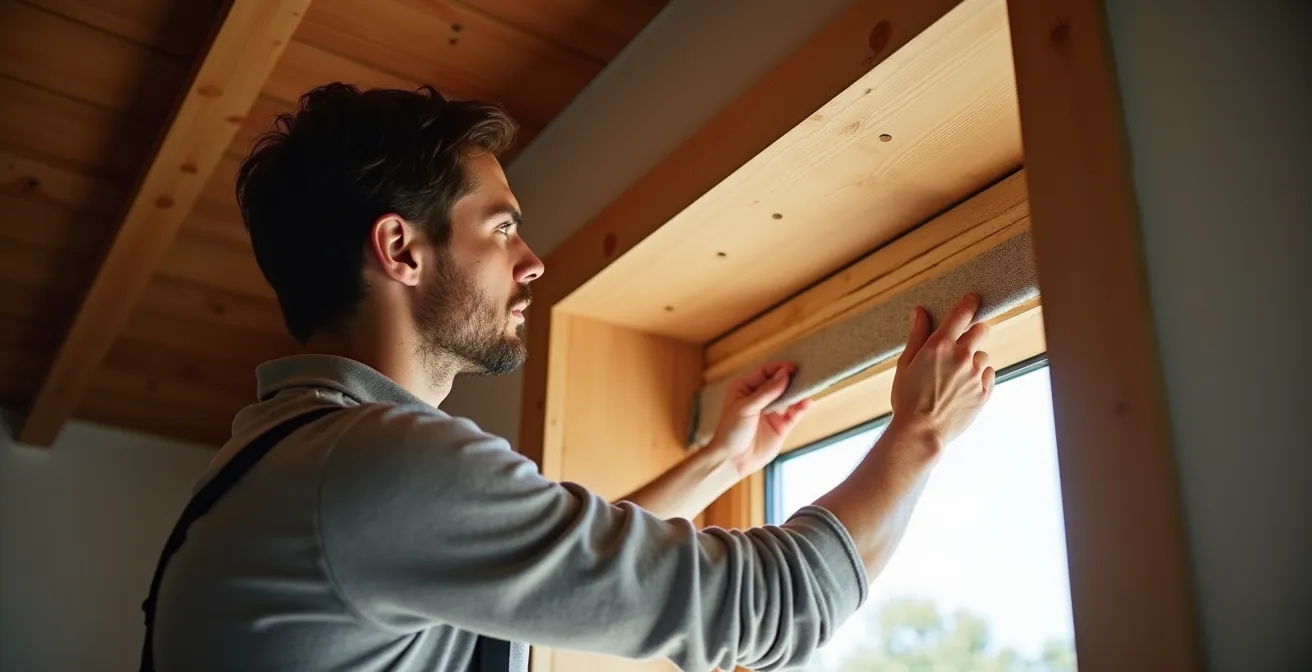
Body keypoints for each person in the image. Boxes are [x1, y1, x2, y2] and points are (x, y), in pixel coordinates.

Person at [149, 83, 996, 672]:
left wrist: (723, 464)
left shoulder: (289, 462)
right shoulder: (373, 462)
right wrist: (919, 435)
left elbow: (558, 584)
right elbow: (765, 606)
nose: (533, 262)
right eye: (503, 228)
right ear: (402, 249)